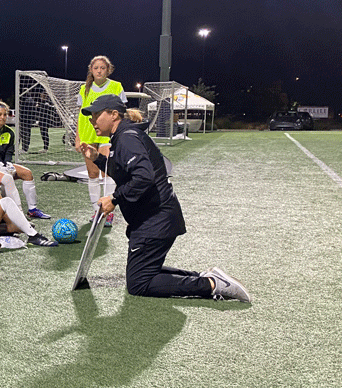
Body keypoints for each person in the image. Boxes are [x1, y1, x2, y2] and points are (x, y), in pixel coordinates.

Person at [77, 94, 250, 302]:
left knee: (139, 283)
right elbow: (125, 172)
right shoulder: (124, 136)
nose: (92, 120)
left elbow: (144, 177)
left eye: (96, 115)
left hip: (155, 221)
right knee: (142, 273)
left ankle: (212, 285)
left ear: (114, 115)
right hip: (154, 218)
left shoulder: (127, 138)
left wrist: (114, 199)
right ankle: (205, 277)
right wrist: (98, 159)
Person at [76, 56, 126, 226]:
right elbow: (80, 115)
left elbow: (122, 112)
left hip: (107, 134)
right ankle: (96, 211)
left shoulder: (116, 86)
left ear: (108, 70)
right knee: (92, 174)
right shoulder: (84, 89)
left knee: (107, 172)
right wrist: (78, 137)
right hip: (87, 133)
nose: (99, 71)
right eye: (96, 68)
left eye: (102, 68)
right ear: (91, 70)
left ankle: (108, 211)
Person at [0, 99, 50, 219]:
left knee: (27, 173)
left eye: (5, 114)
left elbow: (9, 152)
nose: (3, 117)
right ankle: (13, 213)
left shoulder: (10, 132)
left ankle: (32, 210)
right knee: (6, 179)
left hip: (3, 164)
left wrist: (8, 163)